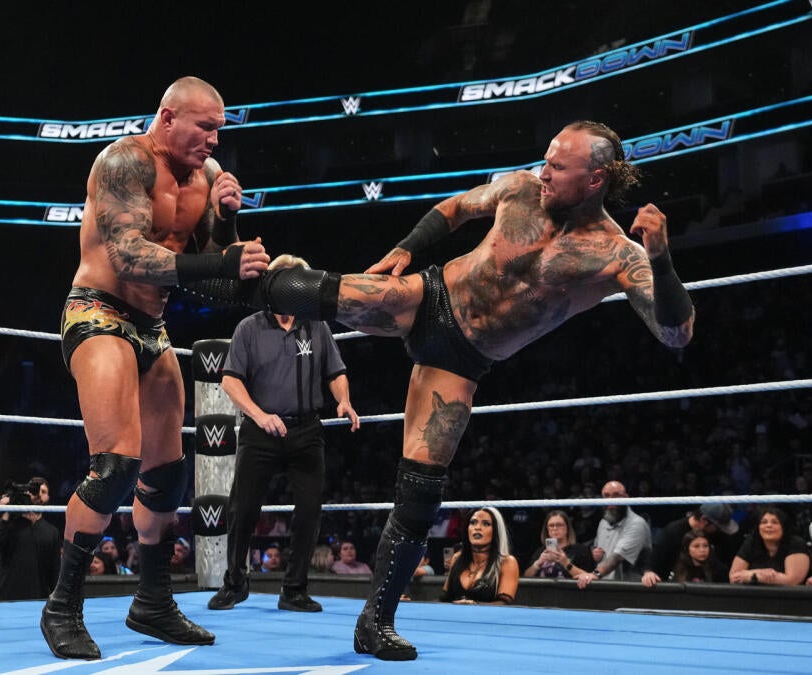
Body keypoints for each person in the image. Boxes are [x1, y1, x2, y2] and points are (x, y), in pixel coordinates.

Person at [187, 120, 694, 660]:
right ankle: (215, 271)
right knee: (340, 292)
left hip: (462, 360)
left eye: (557, 166)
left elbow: (676, 333)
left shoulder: (616, 253)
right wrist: (407, 248)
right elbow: (455, 209)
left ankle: (374, 623)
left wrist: (661, 261)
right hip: (429, 298)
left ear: (595, 180)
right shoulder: (521, 188)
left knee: (421, 491)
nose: (544, 172)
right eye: (546, 160)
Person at [39, 75, 271, 661]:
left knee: (167, 475)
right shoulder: (123, 162)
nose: (214, 141)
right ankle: (62, 606)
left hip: (152, 327)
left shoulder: (208, 178)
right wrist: (221, 260)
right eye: (205, 127)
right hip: (98, 312)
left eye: (219, 131)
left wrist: (228, 226)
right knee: (116, 464)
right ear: (168, 118)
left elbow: (215, 282)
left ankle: (153, 602)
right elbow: (128, 256)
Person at [208, 254, 361, 614]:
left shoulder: (316, 325)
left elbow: (336, 371)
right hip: (260, 430)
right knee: (243, 508)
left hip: (306, 429)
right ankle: (234, 583)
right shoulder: (249, 327)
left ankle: (294, 589)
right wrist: (261, 416)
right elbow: (230, 381)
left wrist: (344, 400)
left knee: (309, 509)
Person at [0, 477, 62, 600]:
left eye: (43, 492)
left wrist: (56, 600)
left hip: (38, 598)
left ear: (48, 498)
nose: (39, 494)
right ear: (27, 493)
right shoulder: (9, 525)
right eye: (35, 490)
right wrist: (6, 513)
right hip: (7, 598)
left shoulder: (52, 532)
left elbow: (55, 570)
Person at [641, 503, 740, 588]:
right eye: (717, 527)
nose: (702, 550)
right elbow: (653, 562)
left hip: (712, 590)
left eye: (705, 546)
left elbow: (730, 563)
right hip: (676, 591)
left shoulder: (718, 534)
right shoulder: (672, 533)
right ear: (704, 520)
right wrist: (649, 573)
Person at [578, 480, 653, 588]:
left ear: (626, 498)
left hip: (628, 588)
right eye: (606, 496)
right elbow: (598, 548)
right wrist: (595, 553)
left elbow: (617, 558)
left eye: (616, 495)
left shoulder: (637, 524)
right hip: (604, 585)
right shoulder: (603, 523)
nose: (611, 500)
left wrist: (595, 574)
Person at [439, 507, 519, 604]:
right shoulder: (457, 558)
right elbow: (444, 598)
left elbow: (504, 603)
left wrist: (475, 605)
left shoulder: (507, 562)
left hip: (488, 614)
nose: (477, 527)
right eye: (473, 523)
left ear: (496, 531)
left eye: (486, 524)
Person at [729, 506, 811, 586]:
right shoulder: (752, 542)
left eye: (775, 522)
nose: (768, 525)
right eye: (764, 522)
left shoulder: (795, 543)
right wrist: (758, 573)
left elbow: (792, 581)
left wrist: (754, 576)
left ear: (783, 527)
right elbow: (733, 577)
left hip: (788, 594)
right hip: (754, 594)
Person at [521, 509, 595, 580]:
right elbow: (526, 576)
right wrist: (538, 563)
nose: (555, 528)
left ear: (567, 528)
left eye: (559, 525)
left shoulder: (581, 551)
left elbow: (589, 577)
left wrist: (566, 564)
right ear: (547, 529)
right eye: (551, 525)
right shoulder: (541, 551)